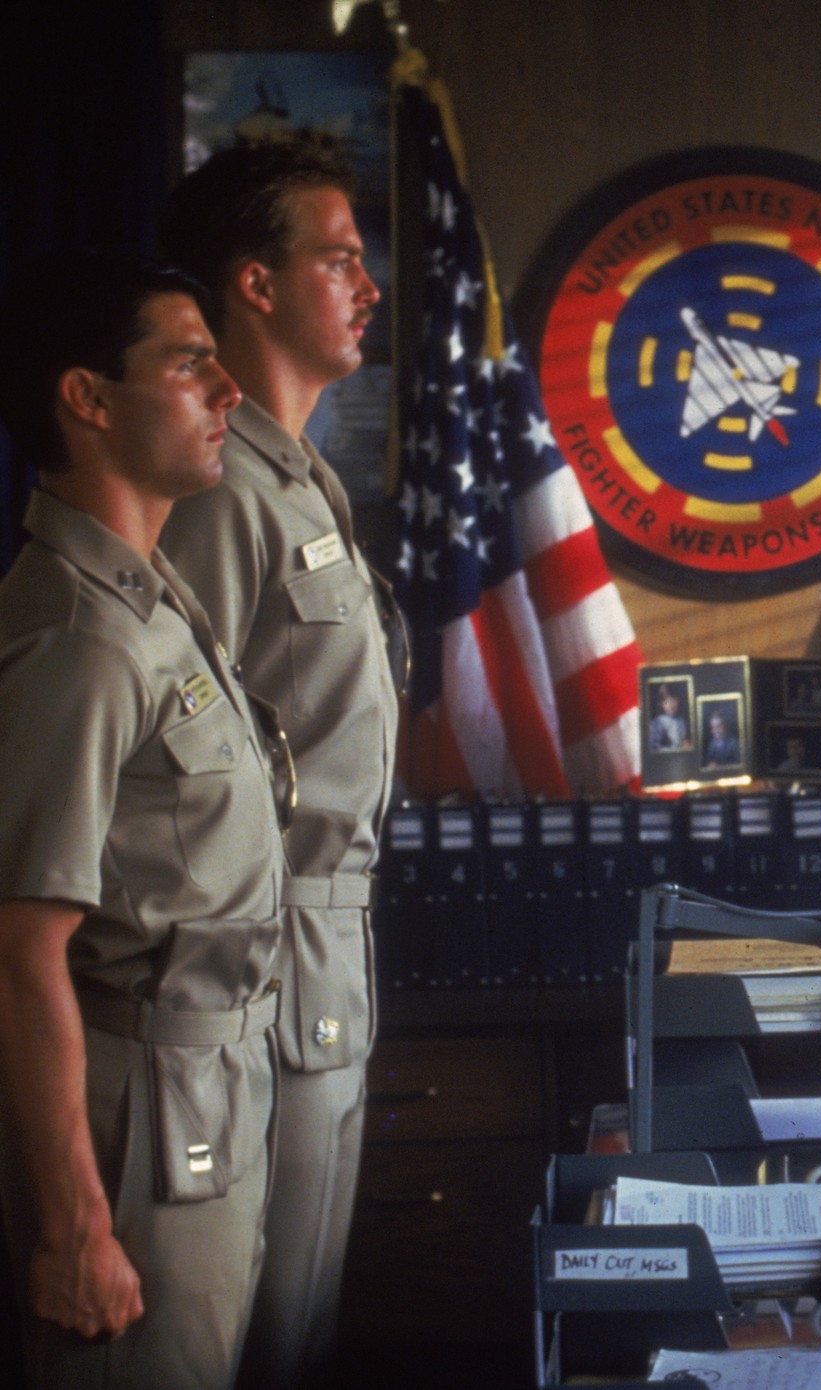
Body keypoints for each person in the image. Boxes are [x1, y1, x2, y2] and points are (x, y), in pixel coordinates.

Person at [0, 252, 288, 1388]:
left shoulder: (152, 590)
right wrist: (76, 1227)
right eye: (188, 364)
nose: (228, 393)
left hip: (212, 1084)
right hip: (136, 1113)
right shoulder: (80, 637)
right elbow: (22, 951)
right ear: (88, 398)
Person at [156, 138, 398, 1389]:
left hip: (331, 947)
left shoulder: (299, 481)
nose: (367, 287)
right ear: (254, 283)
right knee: (260, 1341)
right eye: (340, 260)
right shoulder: (215, 490)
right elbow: (181, 776)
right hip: (258, 958)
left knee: (303, 1330)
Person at [649, 687, 688, 752]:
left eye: (674, 699)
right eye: (666, 701)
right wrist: (676, 748)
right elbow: (654, 747)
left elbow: (682, 741)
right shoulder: (658, 721)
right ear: (661, 704)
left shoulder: (681, 720)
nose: (671, 704)